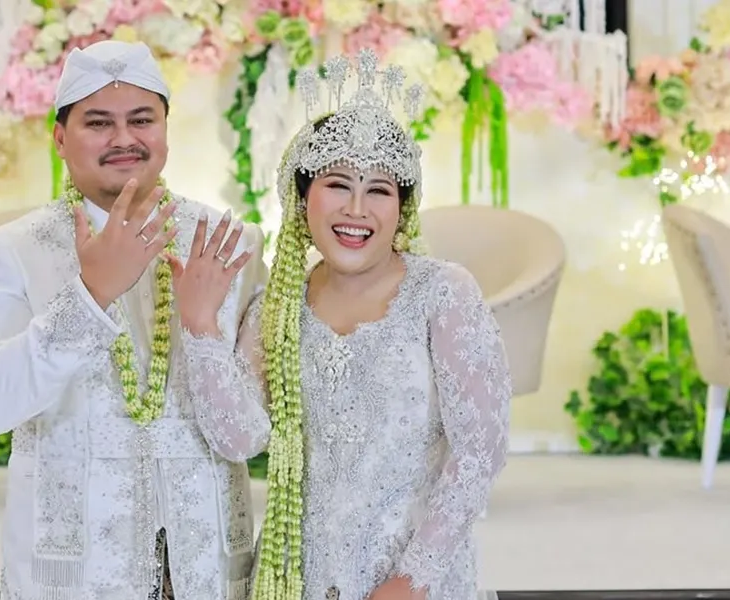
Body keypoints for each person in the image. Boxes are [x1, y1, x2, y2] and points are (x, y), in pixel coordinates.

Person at [189, 50, 513, 600]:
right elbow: (239, 438)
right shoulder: (278, 308)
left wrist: (413, 579)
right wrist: (200, 327)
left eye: (379, 190)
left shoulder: (442, 294)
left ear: (402, 208)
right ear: (302, 197)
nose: (357, 209)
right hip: (302, 577)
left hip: (415, 580)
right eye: (338, 185)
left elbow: (480, 450)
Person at [0, 40, 271, 600]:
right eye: (99, 122)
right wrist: (91, 294)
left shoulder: (229, 245)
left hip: (203, 566)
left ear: (165, 130)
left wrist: (201, 328)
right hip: (75, 572)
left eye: (141, 120)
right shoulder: (10, 250)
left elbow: (248, 437)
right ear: (60, 139)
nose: (124, 138)